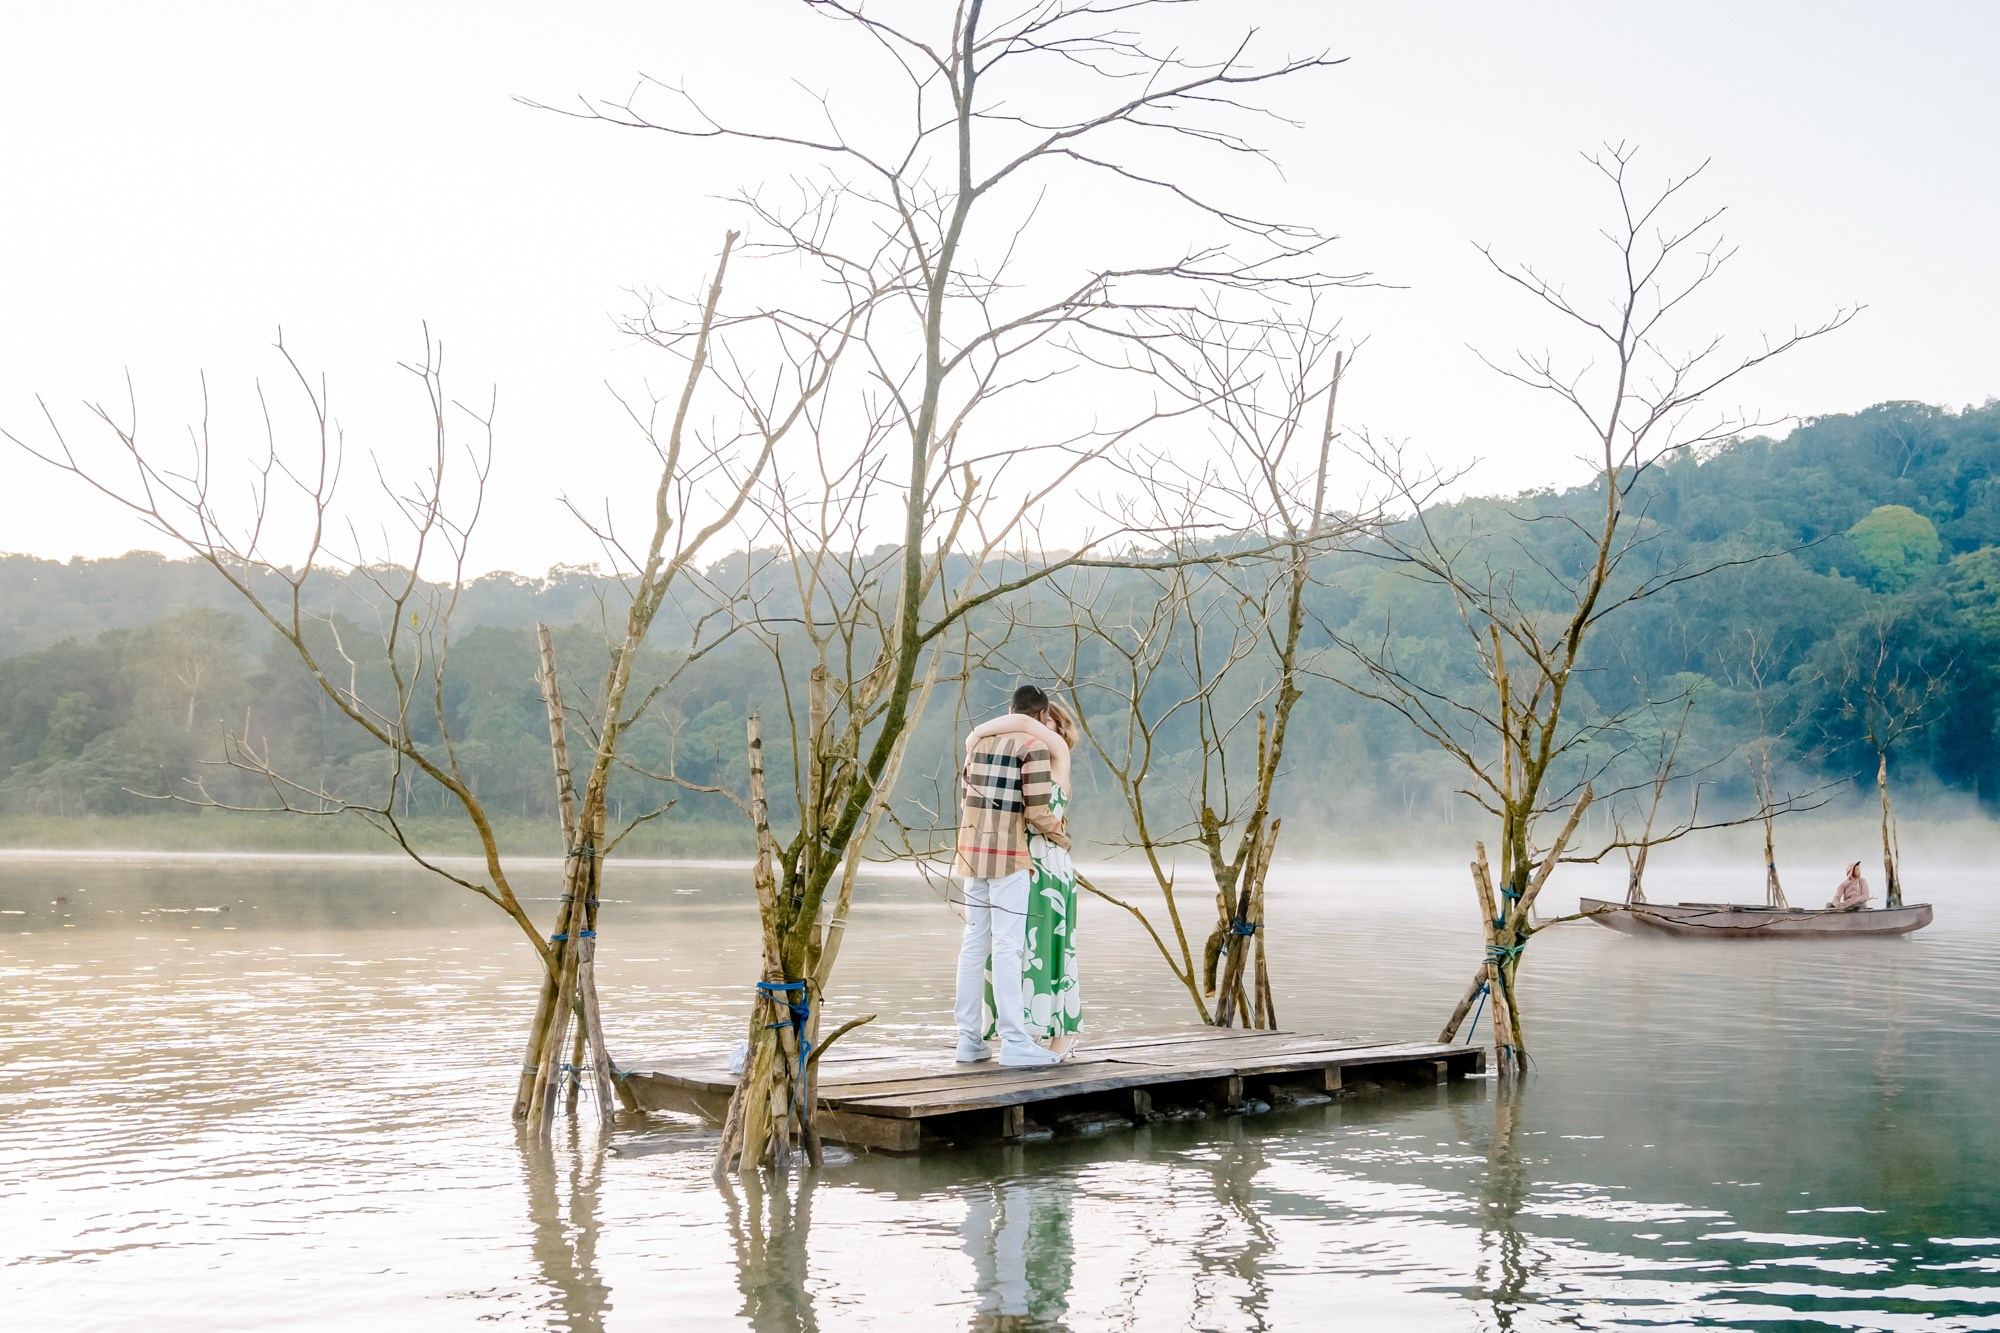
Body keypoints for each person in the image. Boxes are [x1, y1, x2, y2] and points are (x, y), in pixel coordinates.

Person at [954, 684, 1069, 1068]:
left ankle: (968, 1040)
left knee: (973, 945)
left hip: (971, 855)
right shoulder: (1032, 748)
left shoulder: (978, 745)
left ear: (1010, 708)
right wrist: (1060, 833)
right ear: (1040, 717)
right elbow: (1037, 812)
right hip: (1008, 859)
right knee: (1007, 947)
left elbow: (965, 798)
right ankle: (1015, 1041)